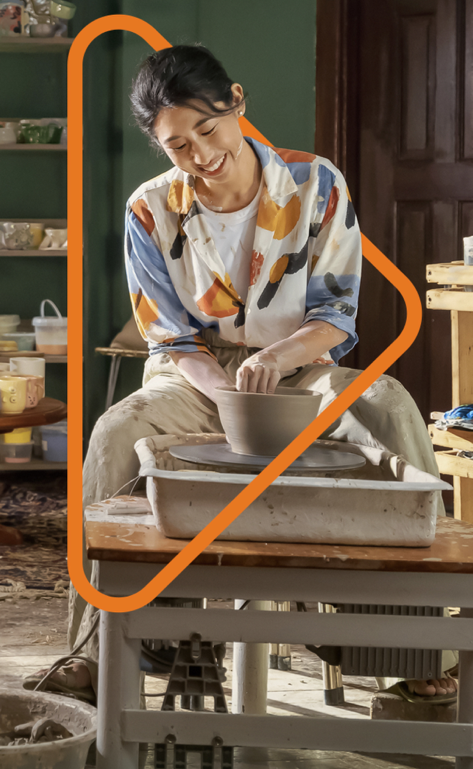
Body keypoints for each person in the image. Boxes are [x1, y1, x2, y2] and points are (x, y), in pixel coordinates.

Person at [31, 45, 457, 703]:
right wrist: (229, 392)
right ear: (158, 146)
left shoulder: (316, 184)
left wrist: (271, 361)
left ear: (235, 101)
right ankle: (92, 653)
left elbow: (335, 316)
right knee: (116, 430)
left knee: (387, 405)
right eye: (177, 144)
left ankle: (420, 652)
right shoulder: (148, 209)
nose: (200, 153)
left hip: (296, 364)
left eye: (207, 128)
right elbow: (169, 335)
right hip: (193, 377)